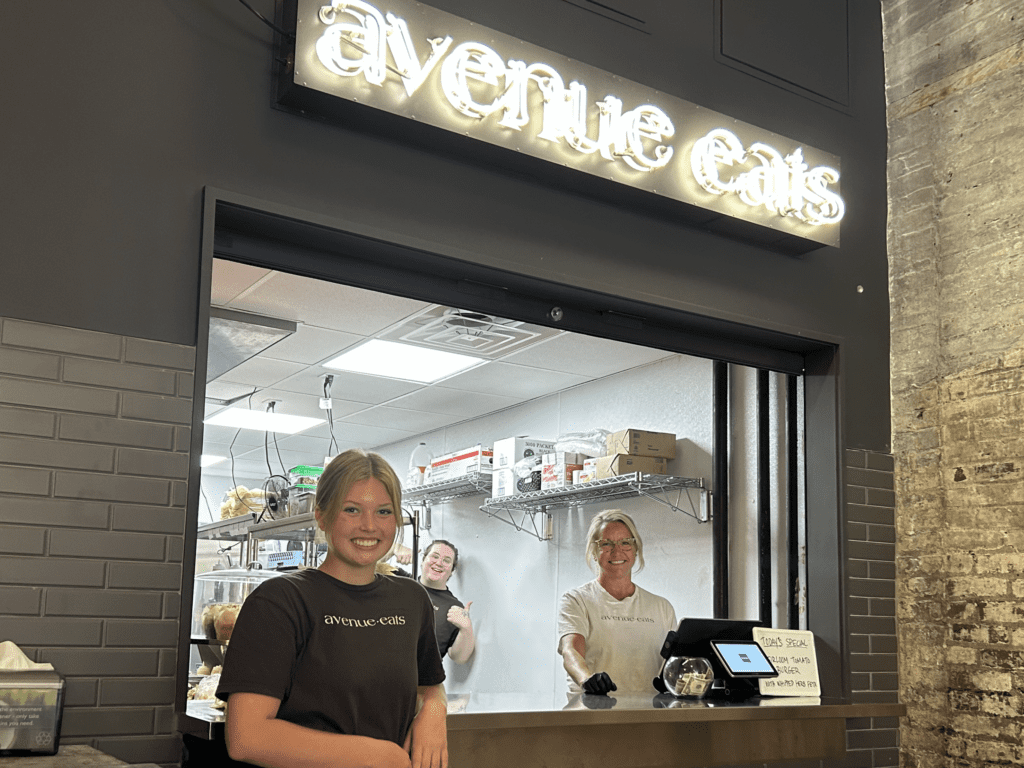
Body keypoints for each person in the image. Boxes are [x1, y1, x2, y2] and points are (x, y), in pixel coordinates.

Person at [216, 449, 448, 768]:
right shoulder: (278, 601)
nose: (369, 526)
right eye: (351, 509)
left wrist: (435, 710)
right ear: (322, 515)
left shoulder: (411, 598)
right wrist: (376, 755)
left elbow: (429, 684)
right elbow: (247, 738)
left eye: (383, 511)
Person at [557, 509, 677, 695]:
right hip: (594, 714)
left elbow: (675, 665)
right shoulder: (577, 600)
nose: (617, 551)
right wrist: (586, 678)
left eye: (625, 543)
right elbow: (570, 651)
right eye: (606, 544)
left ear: (636, 550)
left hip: (649, 716)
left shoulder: (662, 608)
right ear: (594, 551)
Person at [418, 540, 475, 664]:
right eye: (435, 556)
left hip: (421, 681)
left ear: (452, 571)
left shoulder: (454, 608)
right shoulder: (402, 584)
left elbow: (459, 658)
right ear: (423, 560)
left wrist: (466, 629)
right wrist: (395, 549)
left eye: (446, 560)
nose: (439, 563)